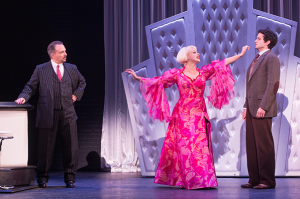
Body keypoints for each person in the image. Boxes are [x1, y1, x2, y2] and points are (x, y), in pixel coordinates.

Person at [125, 45, 249, 189]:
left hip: (199, 113)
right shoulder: (177, 74)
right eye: (194, 52)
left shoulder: (203, 73)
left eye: (197, 51)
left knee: (200, 147)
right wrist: (138, 78)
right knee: (185, 148)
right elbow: (157, 81)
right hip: (182, 115)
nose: (198, 54)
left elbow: (223, 63)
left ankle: (202, 180)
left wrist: (240, 54)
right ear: (186, 56)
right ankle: (186, 179)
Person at [15, 41, 86, 188]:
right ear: (53, 55)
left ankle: (70, 178)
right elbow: (31, 86)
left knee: (70, 146)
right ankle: (42, 178)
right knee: (45, 148)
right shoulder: (41, 69)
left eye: (65, 51)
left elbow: (82, 82)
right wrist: (23, 97)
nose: (65, 54)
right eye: (62, 52)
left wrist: (76, 95)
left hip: (67, 112)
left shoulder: (72, 68)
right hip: (48, 113)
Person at [241, 29, 280, 189]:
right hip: (251, 107)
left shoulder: (271, 58)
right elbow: (251, 86)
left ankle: (267, 180)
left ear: (267, 42)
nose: (255, 41)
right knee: (252, 144)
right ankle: (254, 179)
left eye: (259, 38)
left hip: (262, 107)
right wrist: (245, 106)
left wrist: (263, 105)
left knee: (264, 145)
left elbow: (273, 85)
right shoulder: (255, 59)